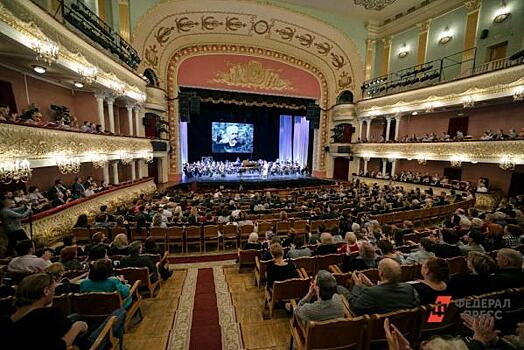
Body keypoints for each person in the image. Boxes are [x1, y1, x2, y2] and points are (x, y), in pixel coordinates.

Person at [0, 273, 89, 350]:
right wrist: (77, 327)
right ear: (46, 291)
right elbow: (58, 346)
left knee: (75, 316)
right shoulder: (50, 316)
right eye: (53, 289)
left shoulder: (6, 318)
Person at [348, 258, 420, 315]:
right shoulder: (409, 288)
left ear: (381, 273)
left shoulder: (371, 293)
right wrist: (372, 285)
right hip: (405, 328)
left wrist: (357, 285)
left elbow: (355, 307)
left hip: (379, 330)